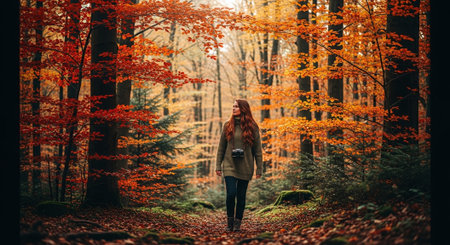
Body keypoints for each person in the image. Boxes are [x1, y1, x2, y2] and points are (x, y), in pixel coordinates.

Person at [215, 99, 263, 232]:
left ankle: (237, 224)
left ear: (243, 108)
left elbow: (258, 150)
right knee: (231, 194)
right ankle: (229, 222)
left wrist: (259, 168)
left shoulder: (253, 127)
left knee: (241, 196)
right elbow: (221, 148)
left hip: (246, 166)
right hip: (229, 165)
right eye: (233, 106)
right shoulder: (227, 125)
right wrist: (218, 166)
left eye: (236, 106)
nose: (233, 108)